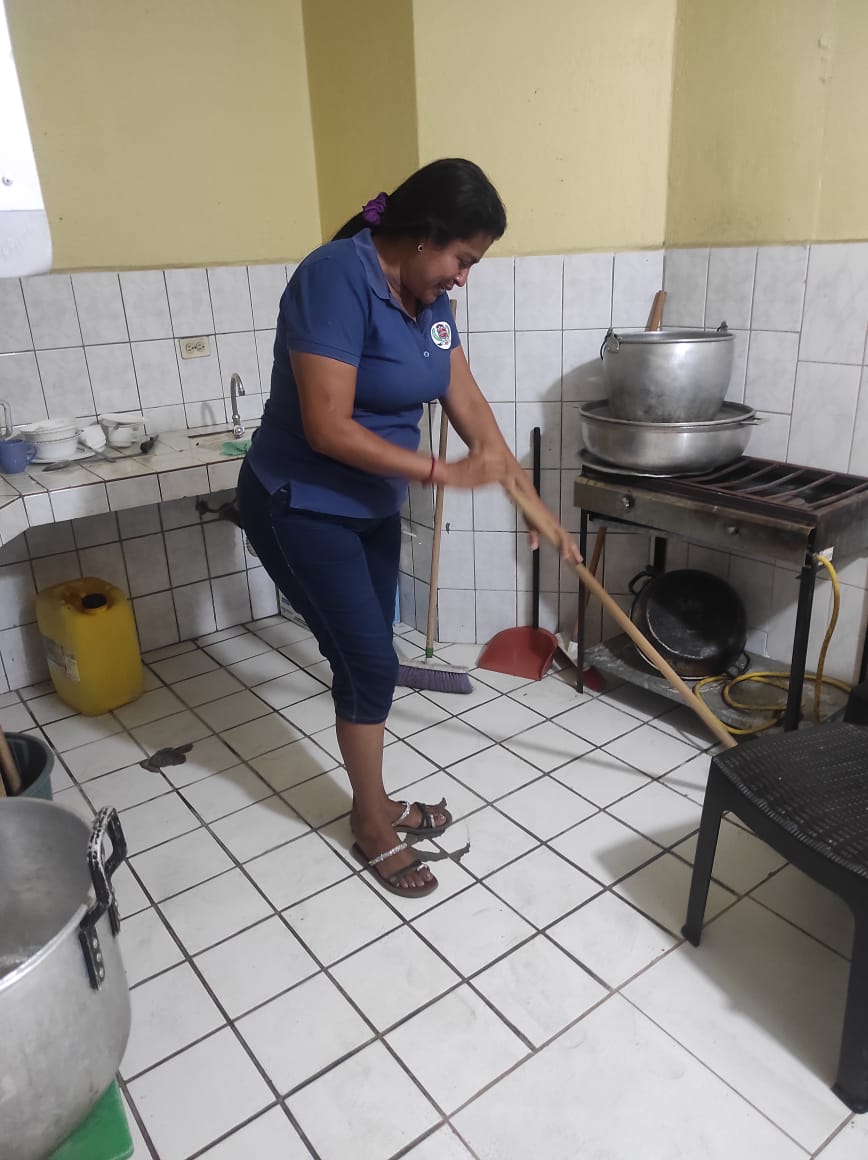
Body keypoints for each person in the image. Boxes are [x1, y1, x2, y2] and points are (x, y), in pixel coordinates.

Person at [237, 158, 581, 899]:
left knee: (367, 659)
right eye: (463, 259)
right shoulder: (334, 277)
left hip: (370, 508)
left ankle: (378, 800)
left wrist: (532, 503)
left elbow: (469, 403)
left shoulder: (429, 301)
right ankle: (371, 821)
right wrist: (440, 472)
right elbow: (326, 426)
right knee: (369, 663)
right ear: (424, 236)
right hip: (301, 503)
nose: (463, 277)